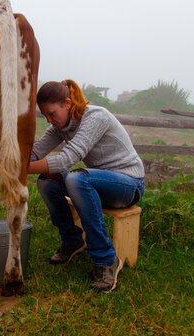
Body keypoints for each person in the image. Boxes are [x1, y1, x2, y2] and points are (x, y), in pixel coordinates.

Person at [27, 79, 145, 292]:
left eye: (52, 113)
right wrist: (6, 158)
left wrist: (21, 169)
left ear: (67, 104)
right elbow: (35, 153)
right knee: (47, 180)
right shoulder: (59, 126)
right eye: (45, 115)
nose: (49, 120)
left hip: (129, 184)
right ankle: (72, 240)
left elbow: (67, 159)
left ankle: (106, 259)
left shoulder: (95, 116)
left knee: (75, 178)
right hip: (99, 183)